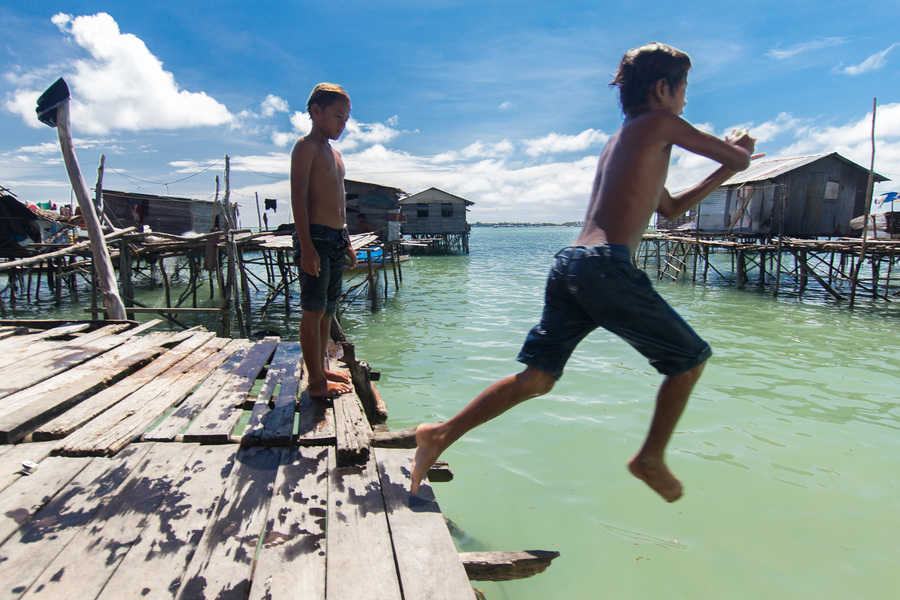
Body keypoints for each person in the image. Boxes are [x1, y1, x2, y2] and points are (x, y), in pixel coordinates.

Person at [411, 42, 756, 502]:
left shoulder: (622, 141)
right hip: (604, 267)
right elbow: (738, 160)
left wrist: (720, 174)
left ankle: (439, 433)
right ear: (662, 88)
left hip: (571, 263)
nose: (686, 100)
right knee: (689, 361)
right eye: (685, 89)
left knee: (536, 379)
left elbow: (670, 207)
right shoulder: (661, 123)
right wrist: (739, 148)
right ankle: (650, 457)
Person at [291, 82, 358, 398]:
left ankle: (320, 368)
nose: (342, 124)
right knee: (313, 310)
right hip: (315, 236)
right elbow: (299, 198)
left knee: (329, 311)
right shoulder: (306, 147)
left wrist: (346, 240)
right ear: (316, 112)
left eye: (345, 119)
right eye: (337, 116)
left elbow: (340, 203)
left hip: (334, 238)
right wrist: (306, 247)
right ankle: (315, 382)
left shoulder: (336, 154)